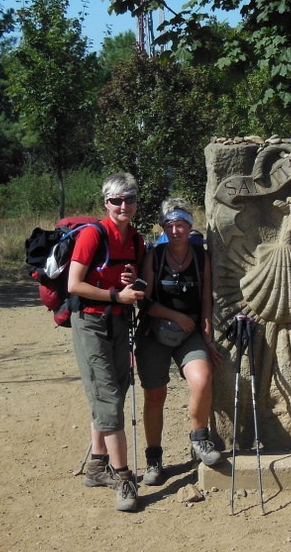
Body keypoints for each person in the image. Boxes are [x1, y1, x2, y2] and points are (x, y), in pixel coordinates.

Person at [67, 172, 146, 512]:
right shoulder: (92, 234)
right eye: (116, 200)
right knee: (108, 397)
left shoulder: (135, 239)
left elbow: (139, 283)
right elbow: (74, 284)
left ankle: (97, 466)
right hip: (91, 322)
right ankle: (123, 476)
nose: (123, 205)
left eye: (129, 199)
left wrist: (132, 280)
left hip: (118, 320)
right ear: (106, 203)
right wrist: (116, 294)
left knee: (113, 389)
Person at [135, 198, 224, 486]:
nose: (176, 230)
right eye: (170, 225)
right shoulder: (154, 256)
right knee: (155, 395)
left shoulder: (201, 257)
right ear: (163, 227)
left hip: (190, 333)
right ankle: (153, 458)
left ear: (189, 226)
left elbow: (207, 298)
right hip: (154, 332)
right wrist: (174, 315)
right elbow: (144, 302)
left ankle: (199, 438)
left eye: (181, 224)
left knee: (202, 379)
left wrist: (208, 339)